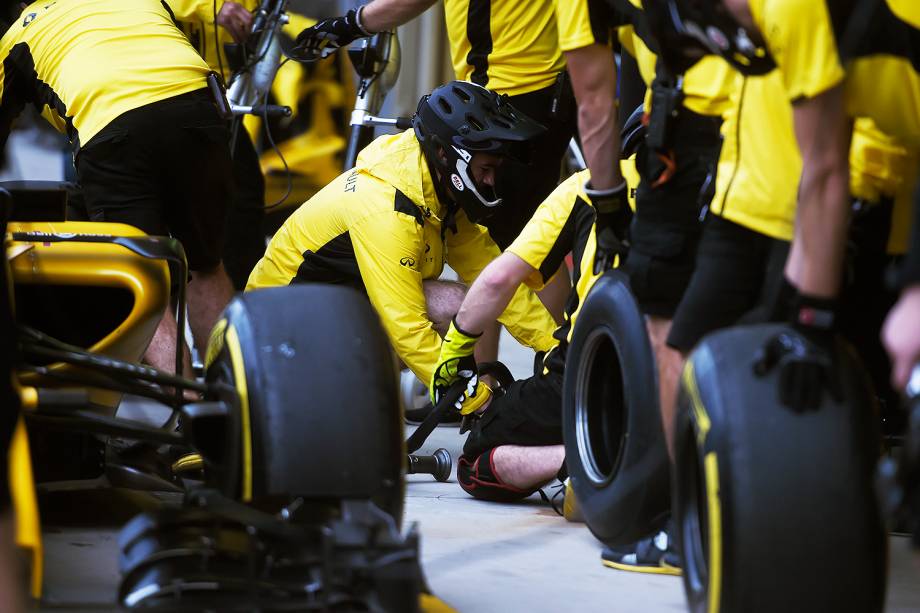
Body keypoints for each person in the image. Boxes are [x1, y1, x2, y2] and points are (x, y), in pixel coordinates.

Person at [293, 0, 630, 322]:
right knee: (509, 246)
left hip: (508, 96)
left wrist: (353, 23)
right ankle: (524, 365)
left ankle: (550, 365)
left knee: (520, 253)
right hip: (531, 92)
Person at [246, 81, 558, 407]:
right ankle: (361, 411)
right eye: (485, 169)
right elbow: (407, 330)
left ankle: (372, 410)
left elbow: (494, 280)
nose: (491, 181)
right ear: (443, 153)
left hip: (327, 316)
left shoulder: (435, 192)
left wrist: (556, 347)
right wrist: (477, 402)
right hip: (273, 340)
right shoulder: (385, 207)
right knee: (419, 318)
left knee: (463, 302)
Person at [0, 0, 236, 374]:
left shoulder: (18, 35)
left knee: (145, 279)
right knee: (207, 263)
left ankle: (189, 412)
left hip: (112, 128)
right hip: (198, 107)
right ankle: (233, 402)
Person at [427, 164, 631, 503]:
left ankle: (589, 461)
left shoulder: (584, 185)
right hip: (686, 367)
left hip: (588, 374)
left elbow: (496, 280)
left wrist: (452, 354)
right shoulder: (720, 180)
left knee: (473, 463)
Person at [167, 0, 268, 291]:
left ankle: (244, 309)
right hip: (161, 84)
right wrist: (208, 5)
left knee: (241, 202)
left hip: (214, 90)